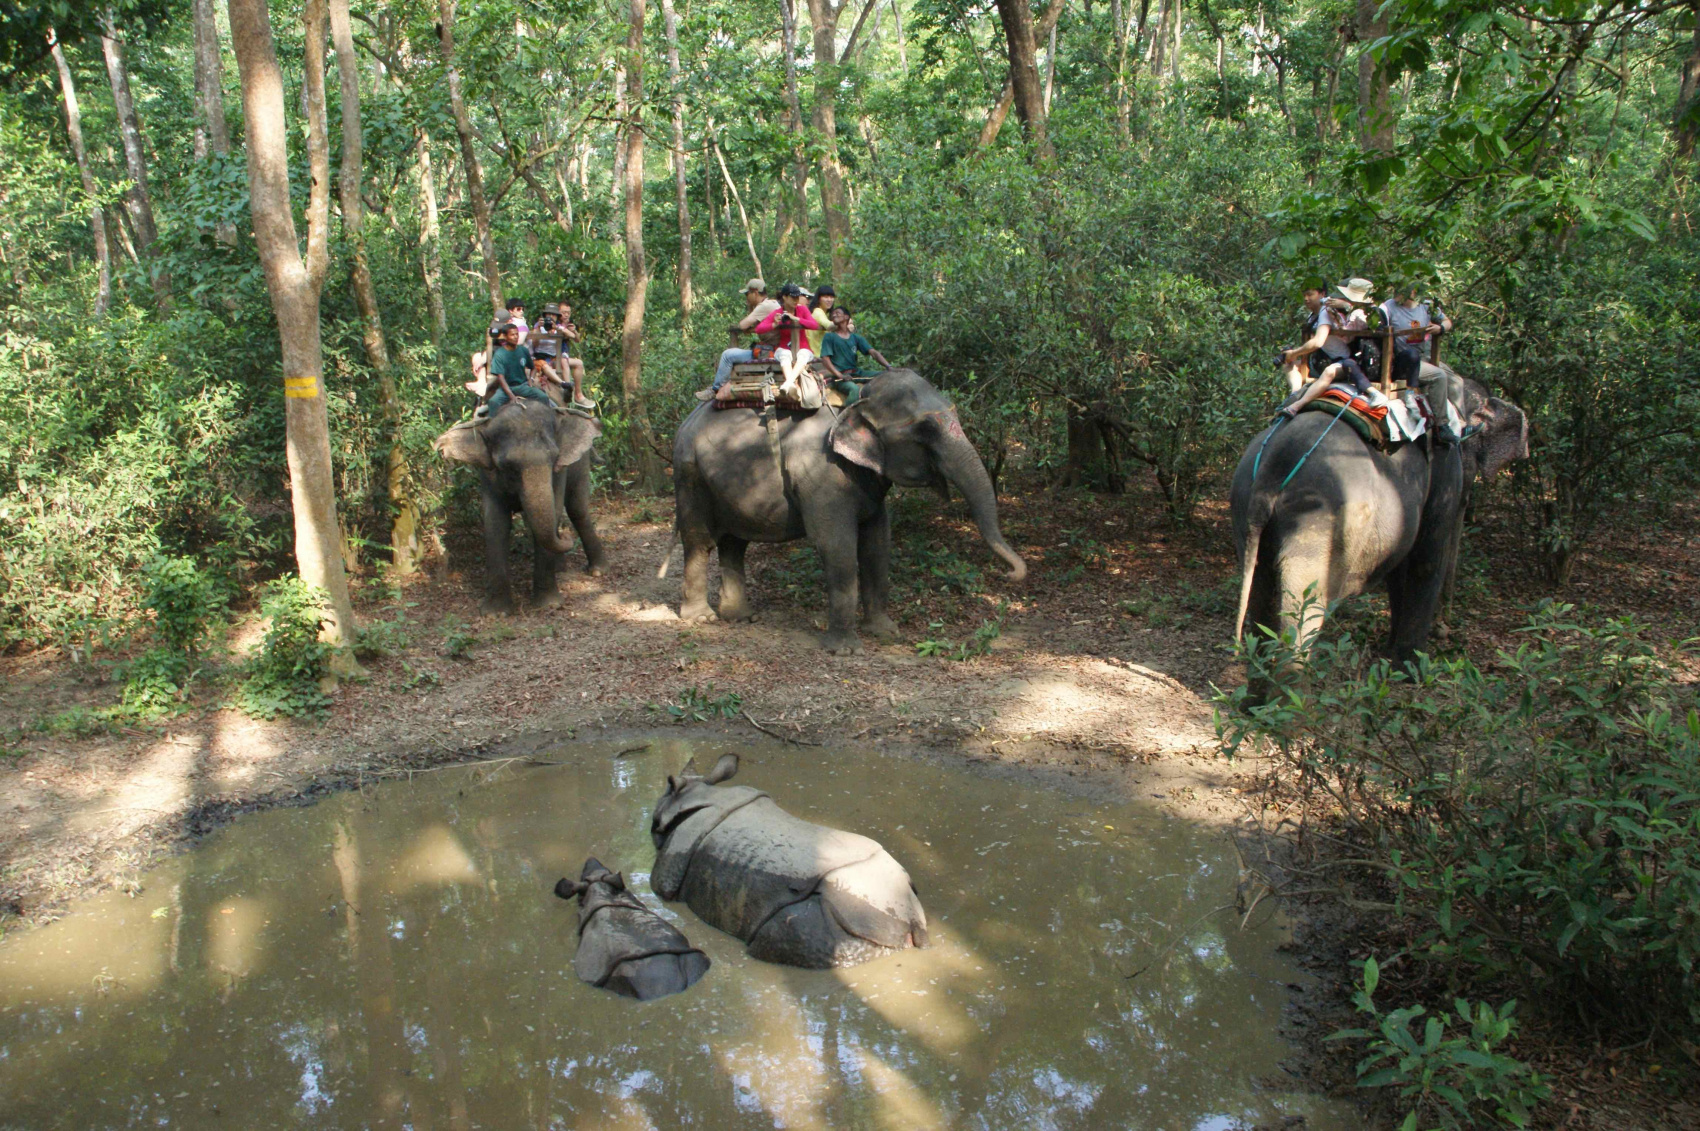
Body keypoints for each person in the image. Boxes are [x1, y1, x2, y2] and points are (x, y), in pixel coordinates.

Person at [1279, 278, 1372, 419]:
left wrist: (1294, 352)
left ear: (1322, 294)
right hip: (1321, 359)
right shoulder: (1312, 315)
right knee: (1288, 365)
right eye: (1304, 295)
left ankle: (1298, 405)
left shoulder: (1326, 312)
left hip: (1341, 361)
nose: (1306, 299)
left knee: (1329, 372)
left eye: (1310, 294)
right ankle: (1295, 393)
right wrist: (1292, 356)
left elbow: (1318, 342)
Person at [700, 278, 783, 400]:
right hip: (774, 349)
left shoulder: (764, 306)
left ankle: (716, 388)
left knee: (727, 355)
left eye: (747, 294)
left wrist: (751, 309)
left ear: (755, 293)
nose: (746, 297)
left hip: (769, 353)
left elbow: (742, 325)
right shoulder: (773, 303)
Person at [751, 283, 820, 396]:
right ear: (785, 297)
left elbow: (814, 325)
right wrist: (774, 324)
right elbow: (759, 329)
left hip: (803, 348)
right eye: (793, 297)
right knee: (785, 354)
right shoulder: (777, 312)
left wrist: (796, 318)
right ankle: (790, 383)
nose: (795, 300)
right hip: (784, 347)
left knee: (802, 354)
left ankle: (788, 383)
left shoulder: (802, 310)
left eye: (797, 297)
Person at [1379, 286, 1451, 388]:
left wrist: (1440, 328)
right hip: (1403, 359)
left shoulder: (1427, 306)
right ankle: (1436, 403)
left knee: (1456, 381)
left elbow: (1447, 322)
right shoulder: (1387, 307)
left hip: (1423, 356)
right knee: (1440, 375)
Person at [818, 306, 890, 402]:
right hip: (840, 377)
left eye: (838, 313)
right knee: (854, 389)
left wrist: (889, 367)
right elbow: (825, 359)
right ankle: (847, 416)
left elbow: (873, 353)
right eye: (833, 313)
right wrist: (840, 376)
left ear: (846, 317)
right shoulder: (830, 337)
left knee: (886, 375)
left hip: (856, 373)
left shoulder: (856, 338)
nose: (834, 314)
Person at [484, 321, 556, 414]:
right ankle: (491, 423)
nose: (515, 337)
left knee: (543, 397)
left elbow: (533, 368)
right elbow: (501, 378)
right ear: (505, 337)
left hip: (522, 386)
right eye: (512, 335)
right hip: (506, 388)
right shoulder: (499, 354)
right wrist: (511, 396)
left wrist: (531, 379)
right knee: (493, 402)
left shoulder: (523, 350)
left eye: (517, 334)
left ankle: (548, 417)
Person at [805, 284, 837, 355]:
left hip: (819, 353)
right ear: (818, 299)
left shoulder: (823, 313)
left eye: (831, 297)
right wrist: (844, 322)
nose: (829, 300)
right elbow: (829, 325)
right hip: (817, 355)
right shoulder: (818, 312)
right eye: (826, 297)